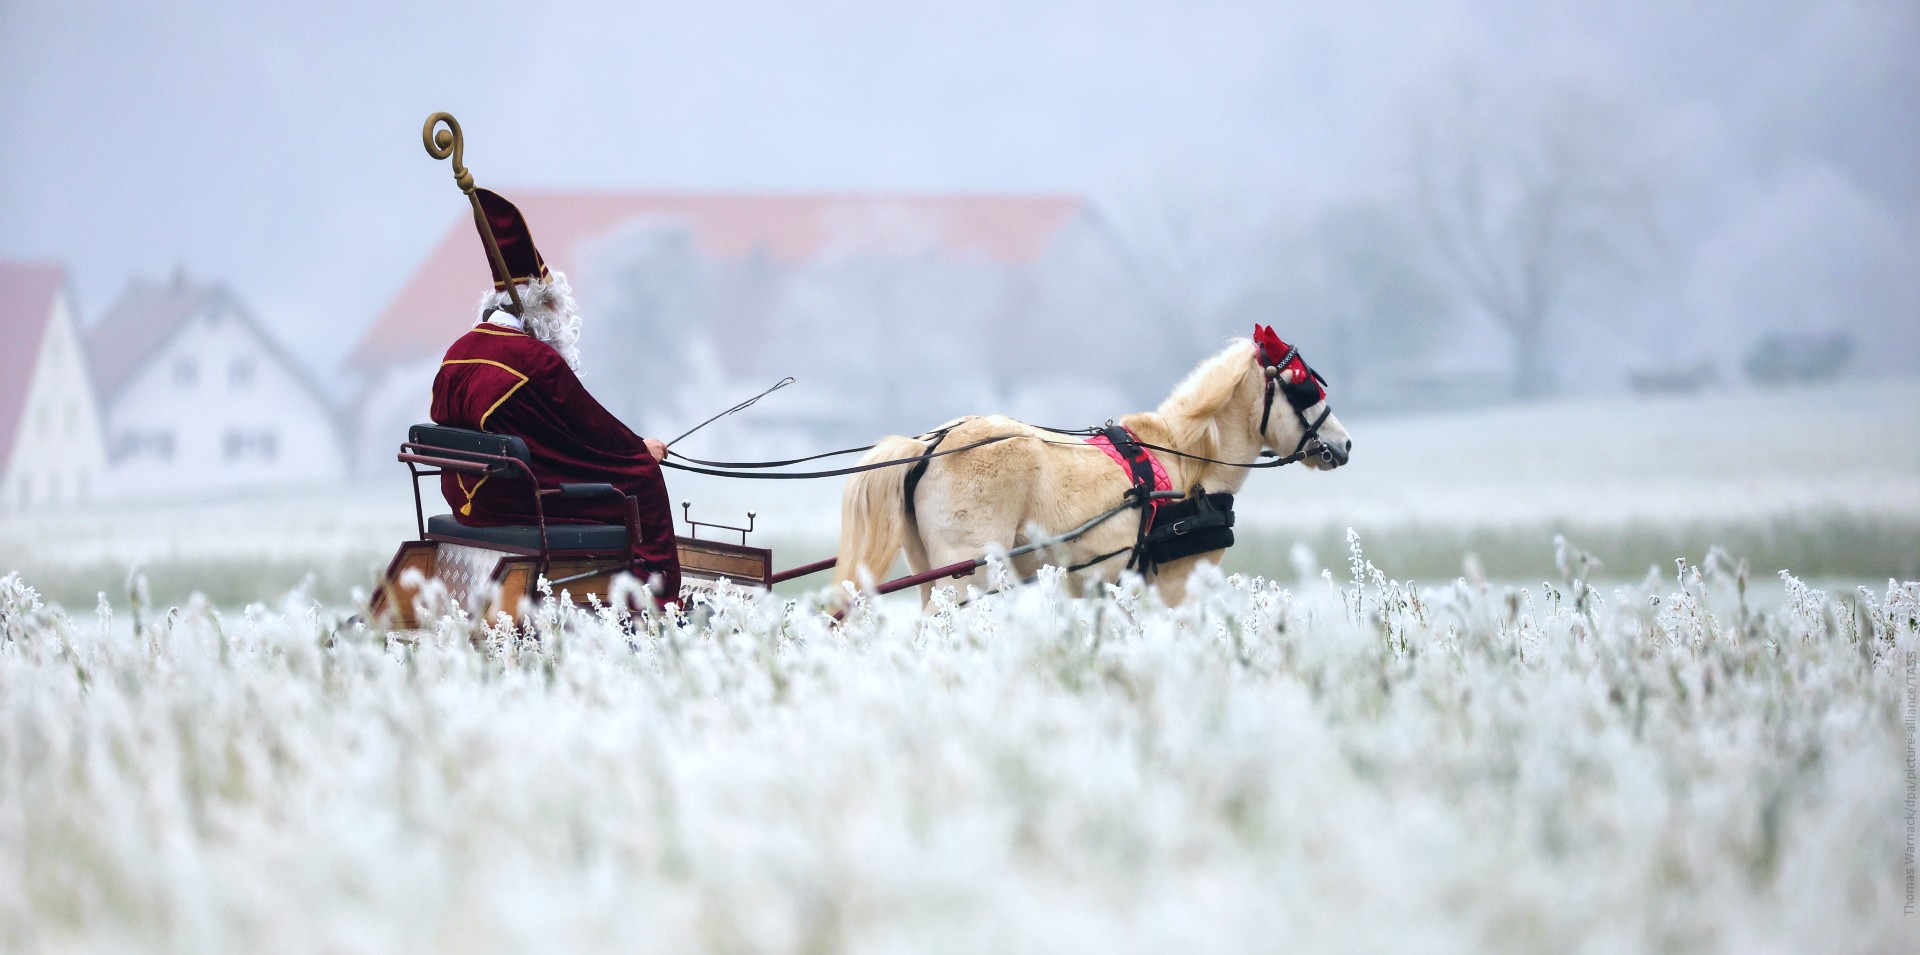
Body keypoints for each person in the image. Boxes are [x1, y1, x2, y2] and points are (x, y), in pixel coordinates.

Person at [429, 188, 681, 599]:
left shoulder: (457, 352)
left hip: (466, 497)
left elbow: (553, 440)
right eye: (554, 309)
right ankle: (658, 601)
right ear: (539, 307)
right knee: (642, 482)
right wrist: (639, 451)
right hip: (511, 500)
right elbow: (592, 434)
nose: (558, 321)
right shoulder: (534, 361)